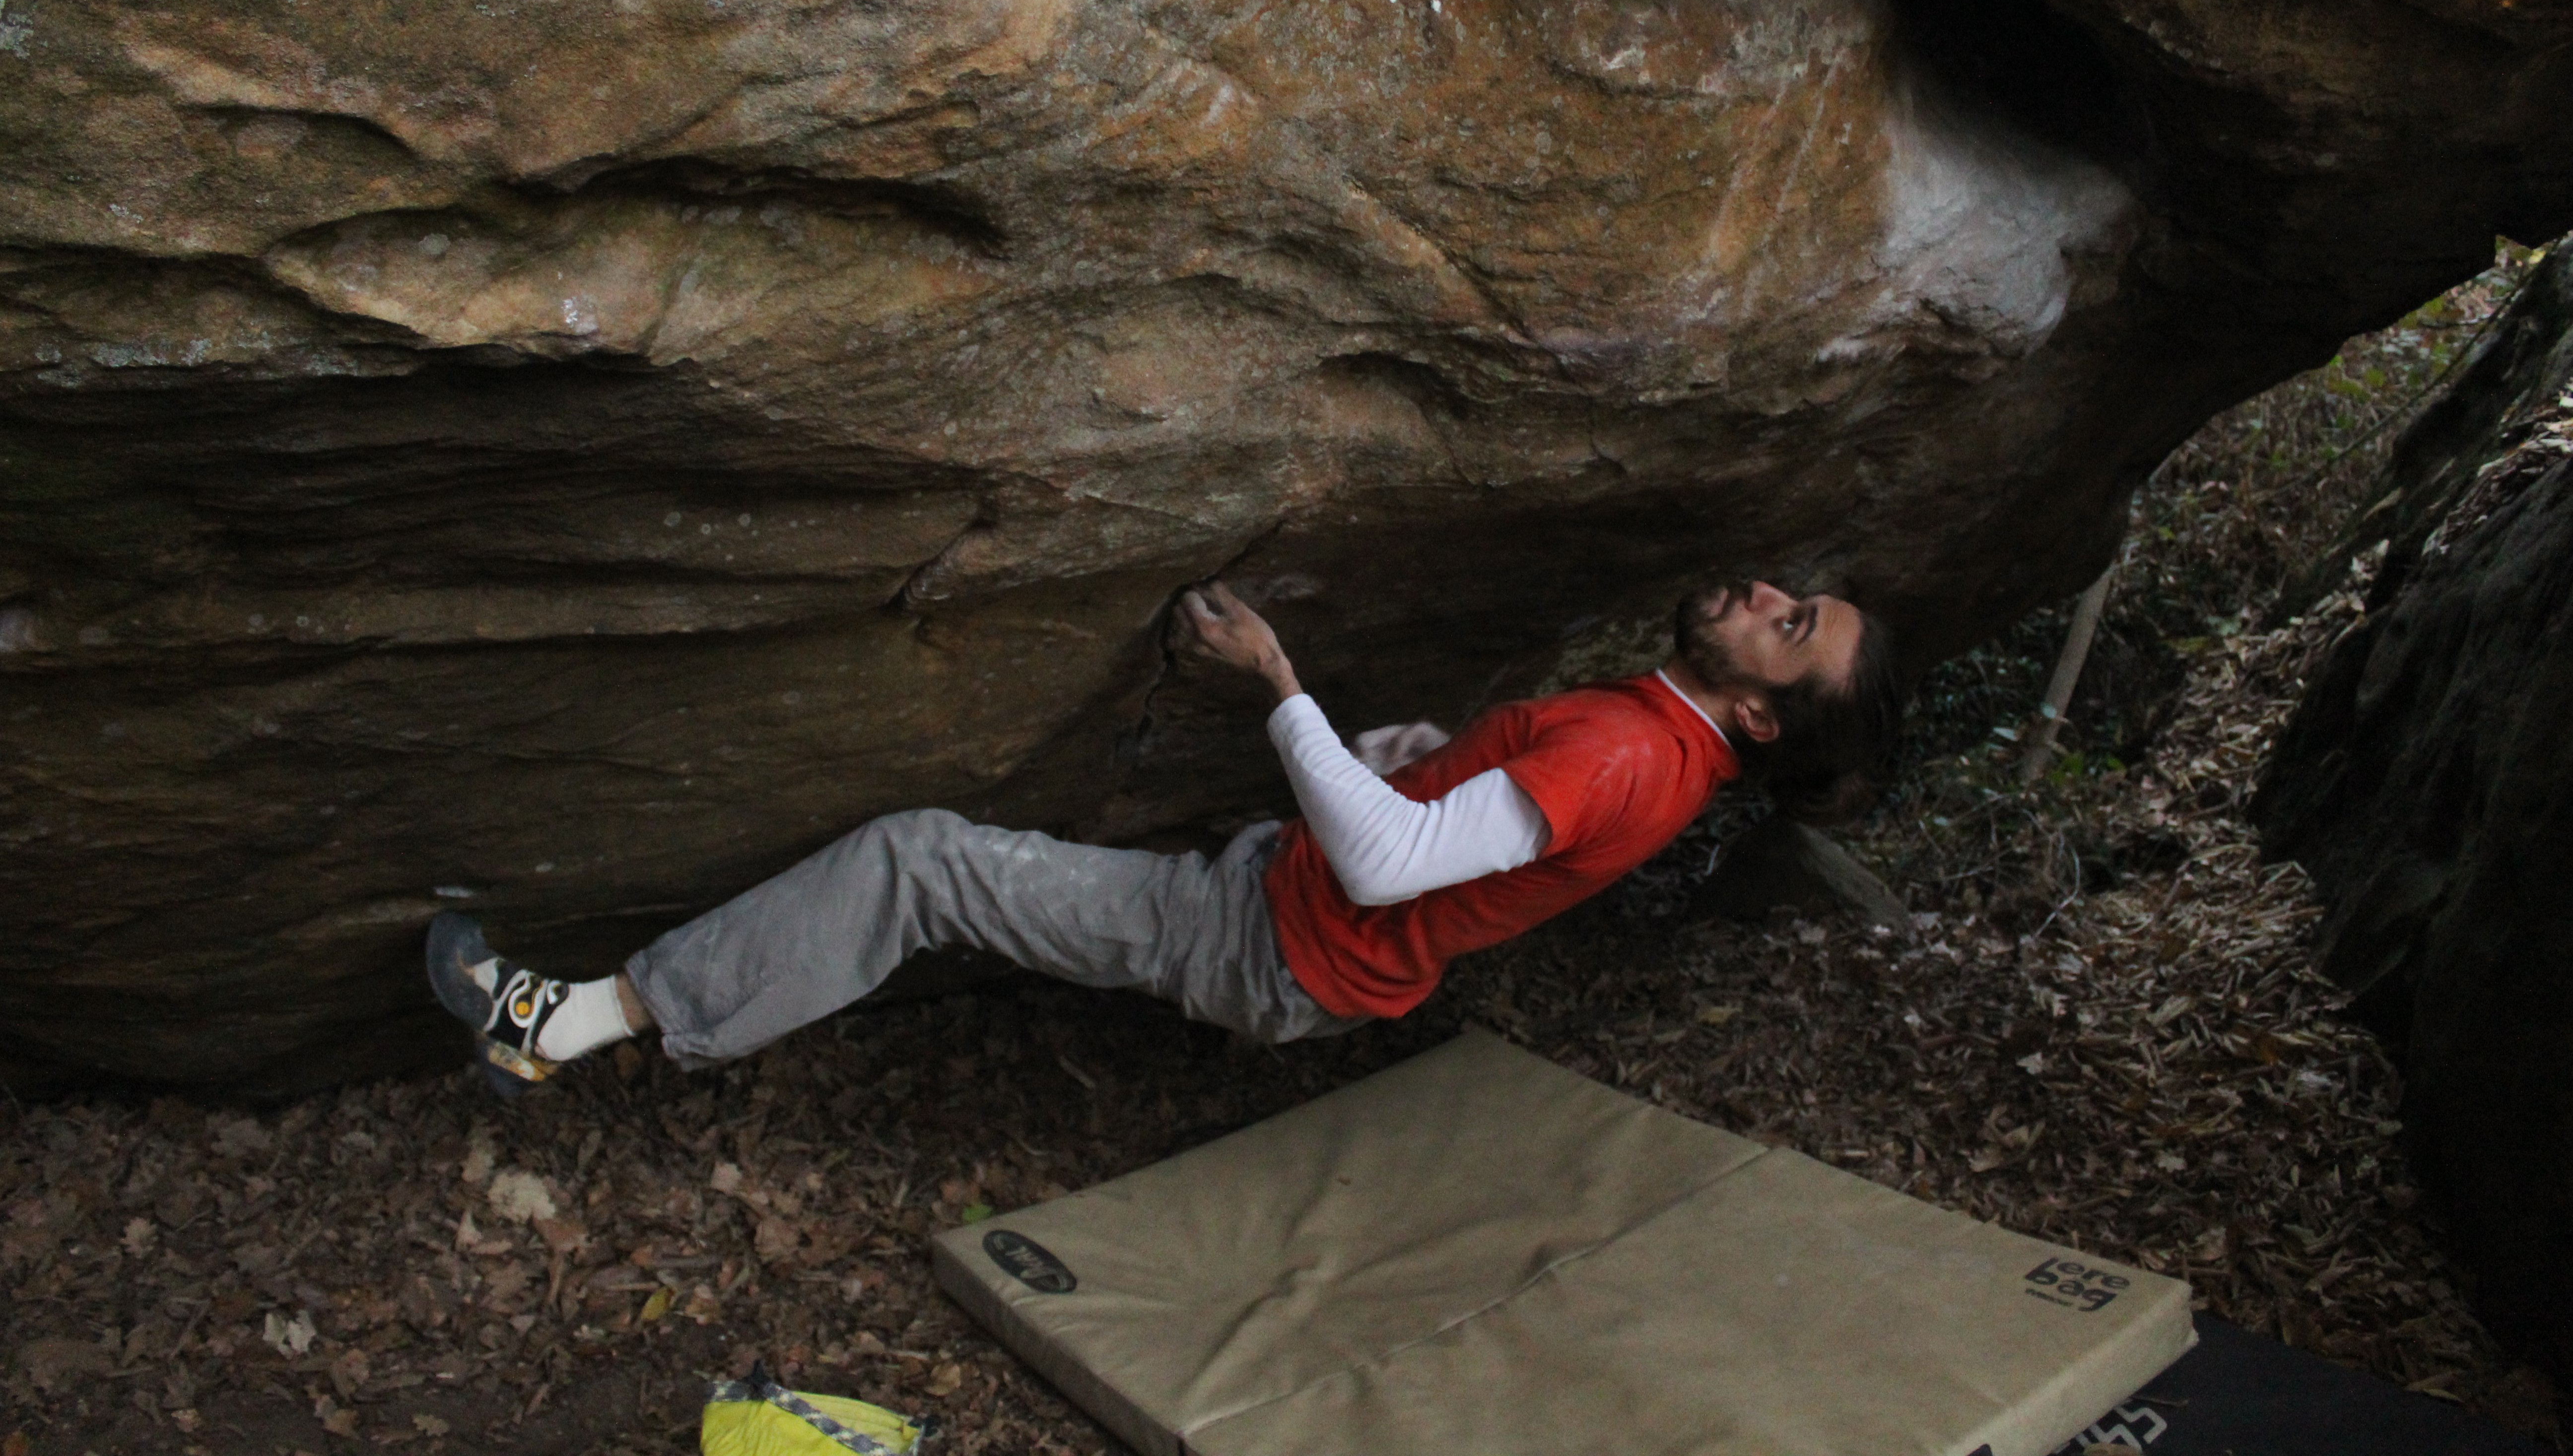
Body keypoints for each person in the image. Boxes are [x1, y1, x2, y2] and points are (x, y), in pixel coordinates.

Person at [427, 578, 1900, 1094]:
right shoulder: (1664, 746)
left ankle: (558, 1026)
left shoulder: (1633, 750)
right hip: (1290, 917)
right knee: (947, 869)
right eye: (1795, 594)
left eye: (1792, 629)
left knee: (917, 860)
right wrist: (1412, 760)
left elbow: (1393, 862)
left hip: (1271, 940)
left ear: (1763, 717)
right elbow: (1477, 833)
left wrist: (1277, 680)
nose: (1767, 596)